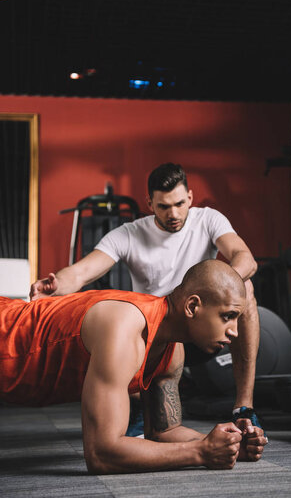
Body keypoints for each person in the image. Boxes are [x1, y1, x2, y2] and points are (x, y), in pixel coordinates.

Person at [31, 163, 260, 425]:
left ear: (190, 198)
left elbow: (245, 258)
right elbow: (82, 272)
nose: (173, 213)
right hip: (155, 337)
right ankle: (141, 402)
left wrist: (221, 286)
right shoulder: (128, 234)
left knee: (246, 288)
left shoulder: (208, 219)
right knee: (127, 327)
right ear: (149, 203)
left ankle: (244, 407)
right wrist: (54, 285)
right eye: (163, 206)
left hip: (199, 326)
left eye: (179, 203)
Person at [2, 260, 267, 474]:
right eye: (228, 316)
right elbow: (101, 454)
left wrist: (229, 443)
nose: (234, 331)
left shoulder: (173, 348)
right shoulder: (124, 329)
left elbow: (164, 432)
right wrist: (201, 451)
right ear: (193, 306)